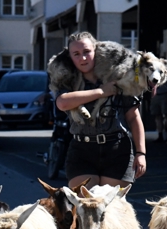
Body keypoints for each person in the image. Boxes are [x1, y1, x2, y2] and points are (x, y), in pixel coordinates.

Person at [55, 32, 147, 189]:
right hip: (82, 150)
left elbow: (133, 117)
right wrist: (102, 91)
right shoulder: (67, 79)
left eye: (87, 52)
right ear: (70, 57)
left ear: (96, 51)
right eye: (76, 54)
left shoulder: (117, 76)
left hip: (117, 148)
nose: (83, 58)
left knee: (112, 203)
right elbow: (62, 103)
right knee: (86, 201)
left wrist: (141, 153)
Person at [149, 76, 167, 143]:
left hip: (164, 94)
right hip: (155, 95)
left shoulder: (166, 71)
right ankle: (160, 135)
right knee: (157, 116)